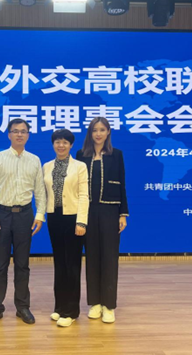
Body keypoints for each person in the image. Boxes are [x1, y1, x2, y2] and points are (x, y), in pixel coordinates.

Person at [0, 118, 47, 327]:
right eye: (15, 131)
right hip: (1, 215)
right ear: (9, 134)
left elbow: (40, 191)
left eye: (23, 131)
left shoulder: (34, 160)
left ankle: (22, 307)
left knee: (22, 264)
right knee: (0, 264)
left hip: (25, 215)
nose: (20, 134)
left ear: (28, 135)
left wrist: (40, 215)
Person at [76, 117, 129, 324]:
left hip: (110, 211)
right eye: (94, 130)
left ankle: (109, 305)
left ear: (108, 132)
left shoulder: (117, 155)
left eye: (102, 130)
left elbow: (122, 184)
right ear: (90, 133)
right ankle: (95, 303)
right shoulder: (81, 155)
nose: (98, 134)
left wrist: (123, 214)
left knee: (109, 257)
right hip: (87, 211)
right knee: (91, 256)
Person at [43, 129, 89, 327]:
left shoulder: (80, 166)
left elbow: (84, 195)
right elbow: (44, 194)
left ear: (71, 145)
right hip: (54, 217)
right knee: (59, 263)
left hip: (73, 218)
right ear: (53, 144)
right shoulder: (46, 166)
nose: (60, 145)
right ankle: (60, 307)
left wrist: (81, 222)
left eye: (65, 142)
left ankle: (71, 311)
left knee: (72, 265)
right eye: (57, 142)